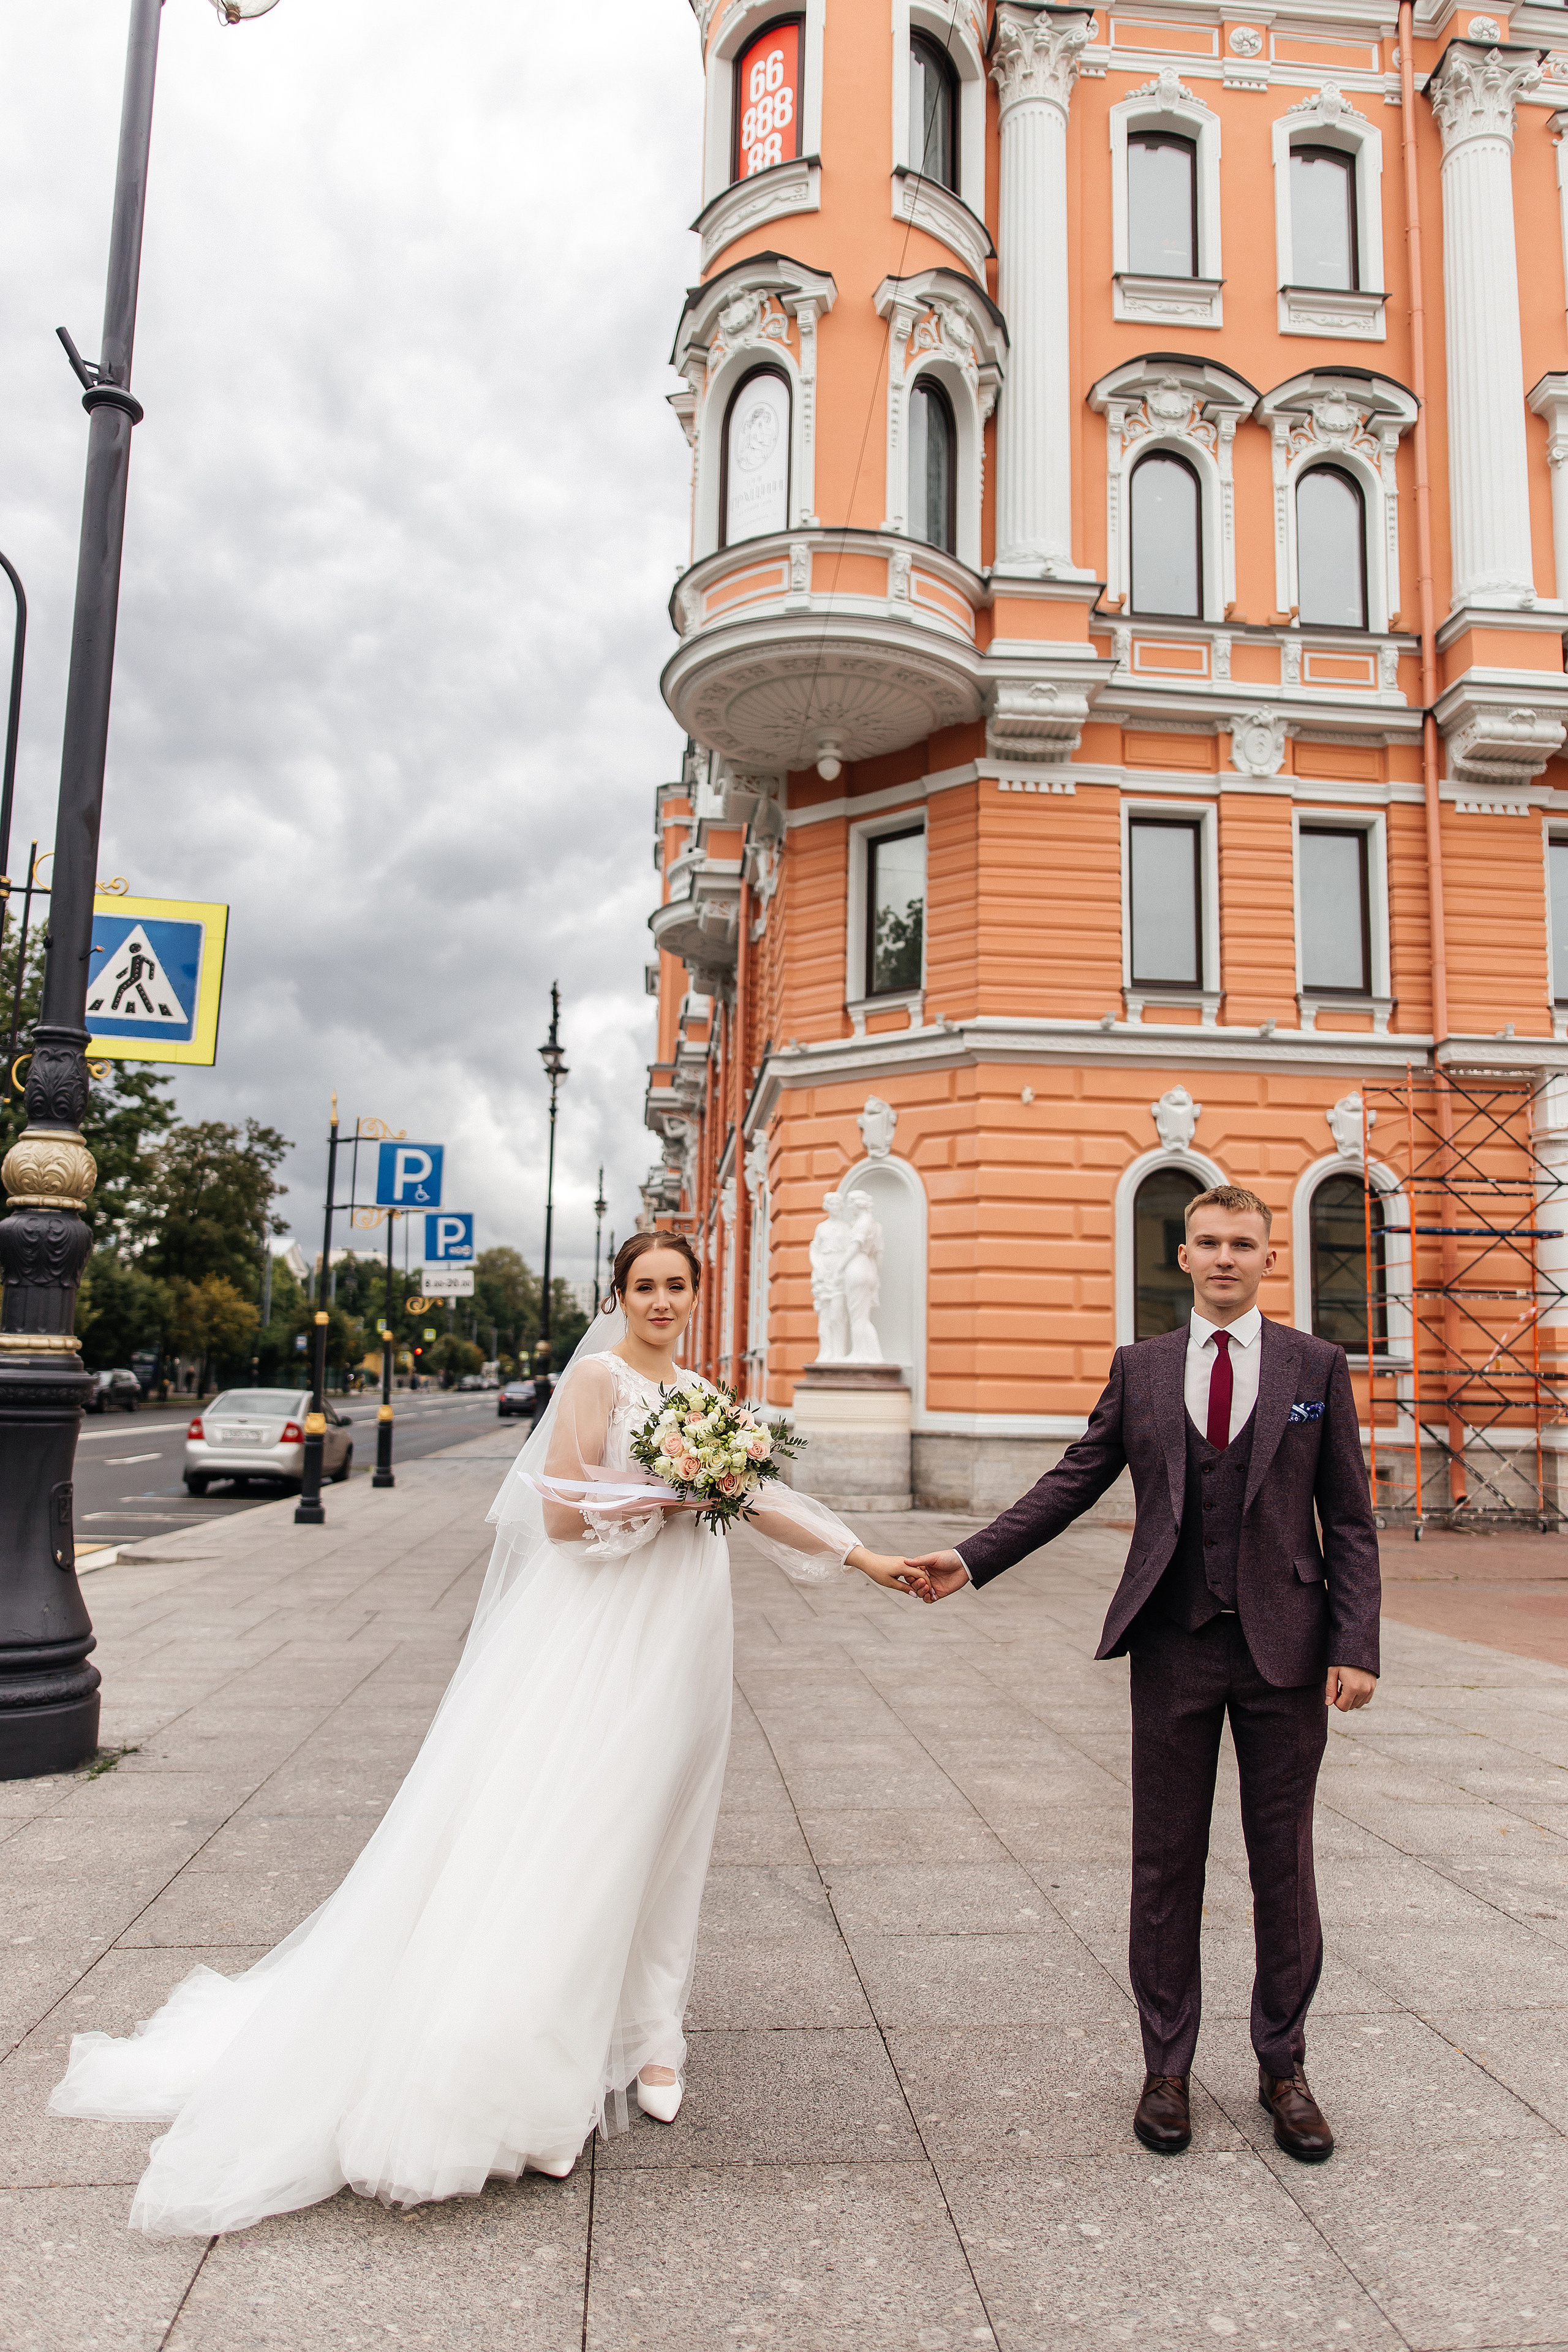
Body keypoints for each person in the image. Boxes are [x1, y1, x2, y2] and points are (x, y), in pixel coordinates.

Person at [51, 1234, 918, 2236]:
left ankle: (652, 2035)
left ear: (697, 1292)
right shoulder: (598, 1380)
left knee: (674, 1832)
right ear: (621, 1295)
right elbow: (556, 1517)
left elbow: (763, 1498)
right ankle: (537, 2071)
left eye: (679, 1286)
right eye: (646, 1287)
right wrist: (671, 1492)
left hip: (688, 1639)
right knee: (588, 1831)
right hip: (605, 1638)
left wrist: (869, 1557)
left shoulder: (707, 1396)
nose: (664, 1301)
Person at [902, 1185, 1380, 2163]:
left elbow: (1352, 1520)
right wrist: (973, 1557)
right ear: (1183, 1255)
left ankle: (1283, 2069)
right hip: (1172, 1643)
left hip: (1286, 1651)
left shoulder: (1315, 1367)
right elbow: (1073, 1480)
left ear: (1267, 1258)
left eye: (1243, 1244)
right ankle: (1166, 2067)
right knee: (1164, 1861)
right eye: (1207, 1242)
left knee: (1281, 1863)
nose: (1223, 1258)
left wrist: (1355, 1643)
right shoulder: (1145, 1370)